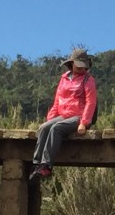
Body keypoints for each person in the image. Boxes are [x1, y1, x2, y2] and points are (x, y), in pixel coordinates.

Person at [29, 48, 97, 182]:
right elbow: (58, 100)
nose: (81, 69)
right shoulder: (64, 78)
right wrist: (50, 119)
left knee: (57, 128)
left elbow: (91, 102)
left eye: (84, 67)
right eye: (79, 66)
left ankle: (46, 165)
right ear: (72, 64)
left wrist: (84, 122)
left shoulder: (88, 80)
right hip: (63, 114)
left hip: (78, 116)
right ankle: (36, 164)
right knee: (44, 127)